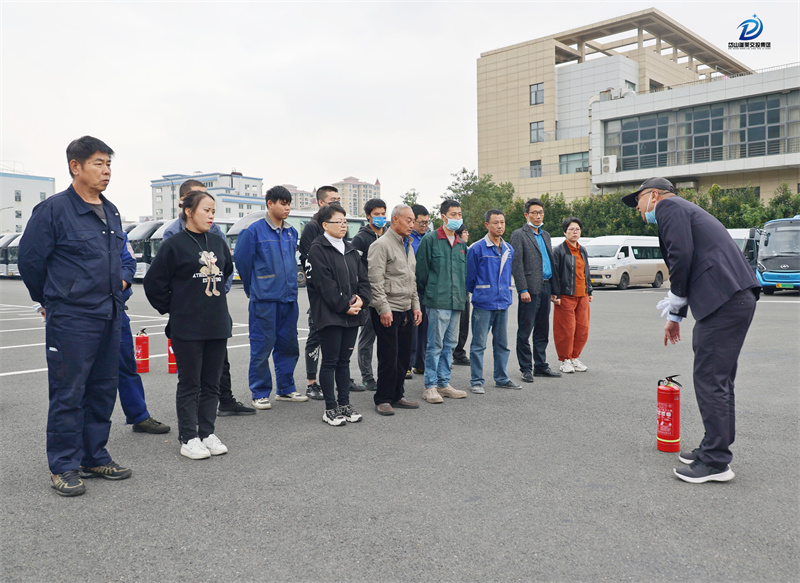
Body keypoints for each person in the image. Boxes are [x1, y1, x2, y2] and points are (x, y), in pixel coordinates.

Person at [622, 177, 759, 484]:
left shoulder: (669, 207)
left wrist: (675, 305)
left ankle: (716, 462)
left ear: (654, 196)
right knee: (717, 379)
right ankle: (713, 448)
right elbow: (689, 256)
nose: (638, 210)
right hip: (730, 298)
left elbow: (679, 256)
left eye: (639, 202)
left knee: (711, 378)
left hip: (725, 299)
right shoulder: (686, 210)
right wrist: (676, 315)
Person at [19, 136, 132, 496]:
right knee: (69, 393)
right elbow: (30, 262)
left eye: (109, 164)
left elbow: (118, 259)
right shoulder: (53, 210)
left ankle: (94, 455)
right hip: (72, 318)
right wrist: (52, 298)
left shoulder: (111, 210)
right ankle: (64, 465)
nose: (106, 171)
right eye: (99, 163)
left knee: (102, 389)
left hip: (110, 313)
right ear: (75, 166)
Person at [144, 191, 233, 459]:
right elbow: (153, 283)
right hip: (187, 327)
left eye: (213, 211)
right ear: (189, 212)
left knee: (212, 383)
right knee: (190, 383)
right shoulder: (174, 245)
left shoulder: (217, 242)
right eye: (206, 210)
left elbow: (226, 270)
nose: (211, 215)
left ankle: (207, 432)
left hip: (216, 323)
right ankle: (188, 437)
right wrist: (175, 306)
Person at [161, 179, 255, 416]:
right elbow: (162, 278)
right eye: (198, 199)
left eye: (209, 203)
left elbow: (227, 266)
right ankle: (191, 424)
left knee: (219, 361)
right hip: (188, 313)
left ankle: (224, 401)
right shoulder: (173, 233)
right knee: (191, 373)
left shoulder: (215, 231)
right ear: (185, 204)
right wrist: (179, 302)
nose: (208, 208)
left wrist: (216, 293)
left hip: (214, 307)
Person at [234, 186, 307, 410]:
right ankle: (259, 392)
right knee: (262, 346)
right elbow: (243, 262)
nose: (287, 208)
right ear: (269, 204)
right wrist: (254, 288)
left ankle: (286, 389)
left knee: (288, 345)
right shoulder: (253, 231)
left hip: (288, 298)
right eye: (282, 203)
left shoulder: (291, 231)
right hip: (264, 299)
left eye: (289, 203)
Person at [306, 204, 372, 425]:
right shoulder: (317, 249)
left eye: (345, 221)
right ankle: (330, 408)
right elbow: (325, 286)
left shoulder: (351, 248)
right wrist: (345, 305)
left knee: (344, 362)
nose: (343, 225)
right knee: (330, 362)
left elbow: (363, 279)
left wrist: (362, 300)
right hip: (330, 315)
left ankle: (345, 404)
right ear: (325, 225)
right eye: (338, 221)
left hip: (352, 314)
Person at [367, 204, 422, 415]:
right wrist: (383, 309)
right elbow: (375, 280)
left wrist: (416, 306)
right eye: (408, 220)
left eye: (413, 220)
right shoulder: (381, 245)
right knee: (388, 357)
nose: (412, 224)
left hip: (406, 308)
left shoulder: (407, 244)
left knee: (403, 356)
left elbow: (411, 279)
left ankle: (398, 394)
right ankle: (383, 398)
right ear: (395, 220)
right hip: (388, 309)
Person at [415, 200, 469, 404]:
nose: (457, 218)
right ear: (443, 217)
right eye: (453, 214)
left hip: (456, 302)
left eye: (459, 214)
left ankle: (444, 384)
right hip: (437, 301)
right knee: (435, 345)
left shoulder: (461, 244)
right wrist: (429, 293)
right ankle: (429, 386)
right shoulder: (430, 240)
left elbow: (463, 274)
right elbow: (420, 273)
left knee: (450, 345)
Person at [118, 232, 170, 434]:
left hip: (115, 308)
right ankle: (79, 430)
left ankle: (139, 416)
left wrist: (116, 286)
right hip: (82, 312)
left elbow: (129, 263)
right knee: (82, 375)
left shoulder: (116, 230)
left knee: (126, 367)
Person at [466, 210, 521, 393]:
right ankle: (476, 381)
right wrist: (481, 292)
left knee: (502, 344)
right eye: (495, 222)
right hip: (483, 304)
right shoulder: (476, 248)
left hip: (503, 303)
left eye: (502, 222)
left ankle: (502, 378)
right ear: (486, 225)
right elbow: (470, 278)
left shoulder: (508, 249)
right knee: (478, 344)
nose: (499, 226)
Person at [510, 198, 561, 383]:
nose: (538, 216)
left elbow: (550, 263)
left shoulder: (545, 235)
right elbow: (517, 264)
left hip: (546, 287)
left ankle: (541, 365)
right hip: (529, 290)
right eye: (534, 213)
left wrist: (555, 289)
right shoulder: (519, 234)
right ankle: (526, 368)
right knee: (525, 331)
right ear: (526, 215)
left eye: (541, 213)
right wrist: (522, 288)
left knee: (542, 329)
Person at [298, 185, 341, 401]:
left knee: (338, 338)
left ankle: (337, 378)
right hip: (320, 293)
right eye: (332, 199)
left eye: (338, 199)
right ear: (321, 202)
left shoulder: (340, 225)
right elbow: (310, 263)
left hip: (339, 293)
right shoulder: (312, 228)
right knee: (316, 334)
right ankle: (311, 383)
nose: (337, 202)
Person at [351, 198, 387, 391]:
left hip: (386, 294)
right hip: (368, 295)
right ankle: (367, 376)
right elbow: (354, 266)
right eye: (376, 215)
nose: (381, 218)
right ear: (368, 216)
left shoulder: (389, 234)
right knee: (367, 337)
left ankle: (385, 373)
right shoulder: (361, 238)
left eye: (383, 214)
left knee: (386, 336)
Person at [551, 217, 593, 374]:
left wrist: (589, 291)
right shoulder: (559, 251)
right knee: (566, 329)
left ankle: (575, 357)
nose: (575, 232)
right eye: (571, 229)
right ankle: (565, 360)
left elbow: (586, 271)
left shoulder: (583, 250)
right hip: (566, 295)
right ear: (564, 232)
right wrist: (555, 293)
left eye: (577, 229)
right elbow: (555, 274)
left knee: (582, 329)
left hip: (582, 296)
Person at [409, 204, 430, 375]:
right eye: (421, 222)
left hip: (428, 289)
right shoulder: (407, 238)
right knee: (412, 327)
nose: (424, 226)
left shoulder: (429, 238)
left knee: (425, 328)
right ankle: (407, 364)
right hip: (411, 289)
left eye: (427, 222)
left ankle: (420, 363)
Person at [452, 227, 472, 366]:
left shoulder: (467, 249)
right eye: (465, 232)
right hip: (453, 291)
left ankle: (459, 353)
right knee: (452, 325)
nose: (467, 234)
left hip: (464, 291)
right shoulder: (453, 248)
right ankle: (449, 354)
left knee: (464, 324)